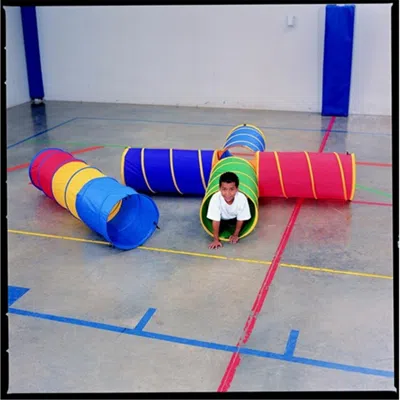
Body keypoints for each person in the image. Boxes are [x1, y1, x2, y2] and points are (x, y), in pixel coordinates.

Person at [206, 171, 251, 249]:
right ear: (219, 188)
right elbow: (215, 221)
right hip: (221, 219)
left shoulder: (241, 198)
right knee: (219, 225)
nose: (228, 193)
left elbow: (241, 219)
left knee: (245, 220)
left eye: (232, 189)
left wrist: (235, 235)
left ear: (237, 189)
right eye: (224, 189)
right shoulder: (215, 198)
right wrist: (216, 240)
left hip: (234, 218)